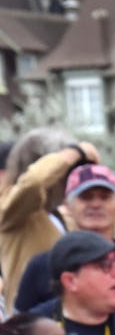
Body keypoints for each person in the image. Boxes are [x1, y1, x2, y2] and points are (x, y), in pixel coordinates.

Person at [14, 163, 115, 311]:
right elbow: (21, 323)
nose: (96, 204)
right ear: (67, 206)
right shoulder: (41, 266)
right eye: (86, 197)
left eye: (105, 197)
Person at [0, 131, 100, 307]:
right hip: (29, 315)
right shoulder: (12, 211)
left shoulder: (61, 217)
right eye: (64, 170)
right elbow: (33, 182)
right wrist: (73, 153)